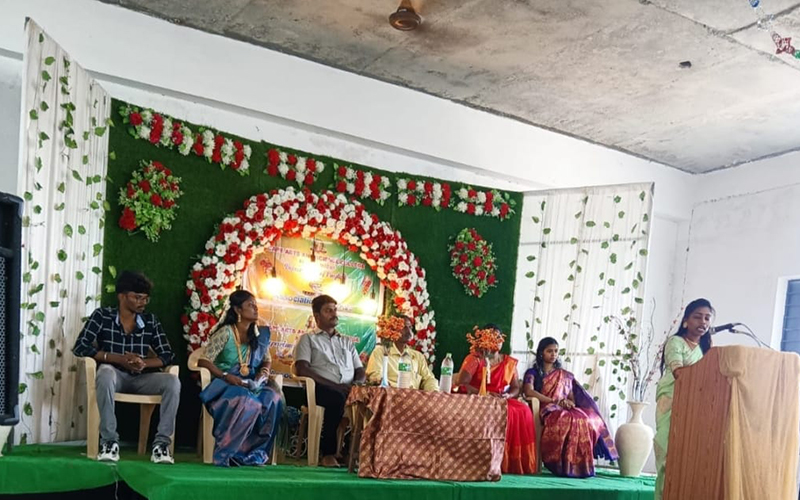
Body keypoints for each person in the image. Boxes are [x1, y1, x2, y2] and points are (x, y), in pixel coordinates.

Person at [72, 271, 179, 464]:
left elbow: (167, 355)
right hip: (115, 376)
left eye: (145, 298)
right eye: (137, 297)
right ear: (122, 296)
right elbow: (80, 347)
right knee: (105, 371)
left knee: (172, 381)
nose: (143, 303)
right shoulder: (102, 316)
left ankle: (161, 445)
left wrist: (143, 363)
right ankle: (109, 442)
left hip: (142, 378)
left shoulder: (150, 321)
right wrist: (116, 359)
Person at [197, 290, 283, 466]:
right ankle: (229, 454)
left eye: (255, 305)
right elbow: (204, 360)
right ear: (237, 310)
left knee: (273, 398)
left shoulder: (258, 334)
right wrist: (225, 375)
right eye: (250, 305)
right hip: (226, 383)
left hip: (251, 382)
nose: (255, 308)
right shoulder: (226, 332)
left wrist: (263, 372)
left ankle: (255, 454)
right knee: (247, 401)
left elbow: (267, 360)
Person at [522, 337, 618, 478]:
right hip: (546, 408)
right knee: (566, 420)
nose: (553, 354)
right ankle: (562, 466)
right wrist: (553, 401)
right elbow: (528, 391)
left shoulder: (565, 375)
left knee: (584, 419)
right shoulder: (533, 372)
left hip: (563, 408)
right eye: (549, 351)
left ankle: (579, 466)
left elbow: (571, 397)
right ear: (541, 353)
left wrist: (568, 403)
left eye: (556, 351)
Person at [294, 295, 366, 468]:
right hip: (319, 390)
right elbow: (302, 369)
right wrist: (336, 386)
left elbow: (360, 370)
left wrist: (356, 384)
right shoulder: (308, 339)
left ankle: (354, 453)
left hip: (348, 389)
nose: (334, 314)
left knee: (374, 400)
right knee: (336, 398)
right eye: (328, 311)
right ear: (317, 316)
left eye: (335, 310)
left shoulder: (346, 342)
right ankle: (328, 453)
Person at [454, 325, 537, 475]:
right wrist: (484, 393)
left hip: (500, 398)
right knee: (500, 411)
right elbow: (462, 383)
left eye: (498, 337)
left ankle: (512, 462)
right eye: (491, 337)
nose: (495, 340)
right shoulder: (475, 358)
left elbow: (515, 388)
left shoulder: (509, 362)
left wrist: (508, 396)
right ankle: (487, 460)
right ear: (483, 339)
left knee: (522, 410)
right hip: (478, 399)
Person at [653, 298, 714, 500]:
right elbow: (679, 372)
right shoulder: (676, 342)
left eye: (707, 318)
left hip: (695, 405)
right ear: (686, 320)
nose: (703, 322)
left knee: (688, 455)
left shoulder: (707, 349)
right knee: (668, 452)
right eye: (698, 317)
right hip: (671, 400)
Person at [365, 315, 438, 391]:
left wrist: (432, 392)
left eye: (410, 327)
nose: (408, 331)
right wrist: (394, 389)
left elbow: (429, 379)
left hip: (414, 397)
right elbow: (375, 377)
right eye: (404, 327)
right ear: (393, 330)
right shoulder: (380, 352)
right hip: (390, 395)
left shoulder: (418, 356)